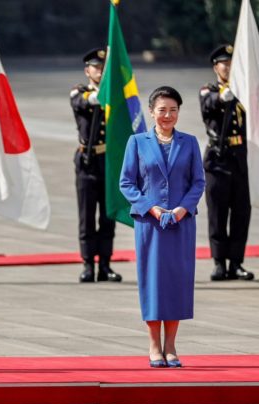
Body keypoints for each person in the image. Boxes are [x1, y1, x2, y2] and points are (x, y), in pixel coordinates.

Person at [119, 86, 205, 368]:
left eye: (173, 110)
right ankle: (154, 344)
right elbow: (127, 183)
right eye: (162, 110)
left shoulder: (190, 142)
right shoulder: (137, 142)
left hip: (181, 223)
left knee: (177, 282)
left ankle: (171, 345)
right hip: (151, 224)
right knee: (153, 282)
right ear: (152, 112)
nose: (167, 115)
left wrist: (182, 209)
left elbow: (198, 182)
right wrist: (152, 208)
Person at [199, 44, 254, 281]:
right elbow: (208, 104)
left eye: (232, 64)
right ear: (216, 67)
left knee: (241, 212)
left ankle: (237, 262)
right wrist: (222, 97)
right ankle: (219, 262)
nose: (229, 67)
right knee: (218, 212)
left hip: (239, 158)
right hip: (218, 158)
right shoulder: (208, 90)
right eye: (225, 63)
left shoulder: (243, 91)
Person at [70, 47, 122, 283]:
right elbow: (86, 102)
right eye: (96, 67)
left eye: (103, 68)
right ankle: (88, 264)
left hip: (108, 161)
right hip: (88, 162)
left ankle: (106, 265)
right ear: (87, 70)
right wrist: (102, 93)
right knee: (87, 215)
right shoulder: (78, 92)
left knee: (108, 214)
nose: (100, 71)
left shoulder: (114, 94)